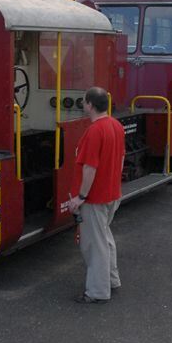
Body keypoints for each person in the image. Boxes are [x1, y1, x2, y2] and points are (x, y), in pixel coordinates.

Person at [63, 86, 125, 303]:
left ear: (89, 104)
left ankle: (97, 292)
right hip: (112, 194)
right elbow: (121, 160)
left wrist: (81, 196)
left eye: (84, 102)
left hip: (95, 198)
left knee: (94, 244)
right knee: (105, 238)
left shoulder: (94, 131)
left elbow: (90, 167)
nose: (83, 105)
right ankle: (111, 279)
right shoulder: (116, 126)